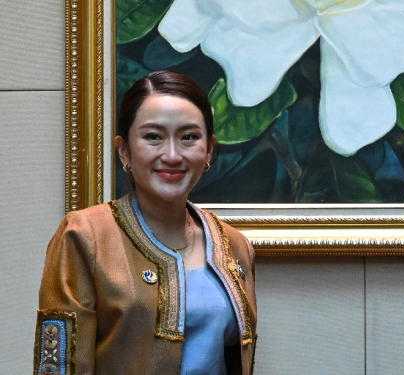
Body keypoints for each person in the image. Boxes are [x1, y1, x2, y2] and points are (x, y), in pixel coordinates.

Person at [33, 70, 257, 375]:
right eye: (153, 137)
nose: (173, 155)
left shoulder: (234, 245)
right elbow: (57, 368)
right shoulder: (85, 236)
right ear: (124, 150)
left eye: (189, 137)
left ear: (209, 150)